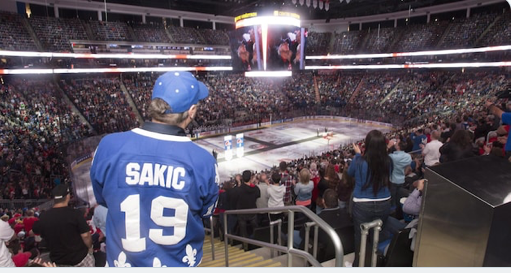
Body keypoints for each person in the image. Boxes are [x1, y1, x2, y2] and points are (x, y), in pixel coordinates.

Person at [90, 71, 219, 267]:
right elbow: (206, 212)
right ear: (191, 111)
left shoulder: (108, 146)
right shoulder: (203, 161)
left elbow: (103, 200)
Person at [348, 130, 392, 267]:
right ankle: (373, 263)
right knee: (376, 235)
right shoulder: (388, 161)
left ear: (367, 145)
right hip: (384, 203)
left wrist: (356, 155)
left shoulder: (359, 161)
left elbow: (350, 173)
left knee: (360, 237)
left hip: (362, 204)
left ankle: (358, 265)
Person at [32, 184, 95, 267]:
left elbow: (35, 231)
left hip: (58, 261)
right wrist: (90, 248)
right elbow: (86, 235)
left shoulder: (44, 216)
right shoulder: (75, 214)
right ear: (68, 196)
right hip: (79, 259)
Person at [234, 170, 260, 251]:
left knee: (243, 230)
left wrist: (238, 183)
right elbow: (257, 196)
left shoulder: (239, 189)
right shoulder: (255, 188)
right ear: (251, 178)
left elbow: (235, 198)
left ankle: (245, 245)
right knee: (255, 228)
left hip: (242, 213)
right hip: (252, 211)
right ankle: (257, 243)